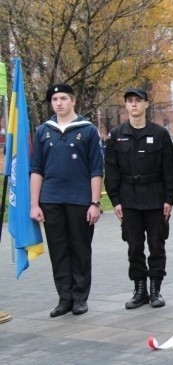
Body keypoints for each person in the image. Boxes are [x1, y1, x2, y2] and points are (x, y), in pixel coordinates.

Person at [30, 84, 104, 317]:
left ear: (73, 101)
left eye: (63, 98)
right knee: (59, 250)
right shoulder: (43, 131)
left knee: (80, 249)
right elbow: (36, 169)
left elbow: (96, 169)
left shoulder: (88, 130)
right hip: (51, 199)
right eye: (54, 99)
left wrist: (95, 203)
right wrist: (34, 204)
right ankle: (65, 298)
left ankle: (80, 298)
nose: (59, 103)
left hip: (80, 200)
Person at [104, 88, 173, 309]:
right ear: (125, 106)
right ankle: (139, 289)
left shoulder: (159, 134)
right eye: (130, 101)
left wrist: (169, 199)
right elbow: (111, 170)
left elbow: (169, 169)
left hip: (155, 197)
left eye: (138, 101)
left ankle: (156, 289)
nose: (134, 105)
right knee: (134, 245)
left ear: (146, 104)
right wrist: (116, 200)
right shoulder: (117, 135)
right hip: (129, 198)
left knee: (157, 244)